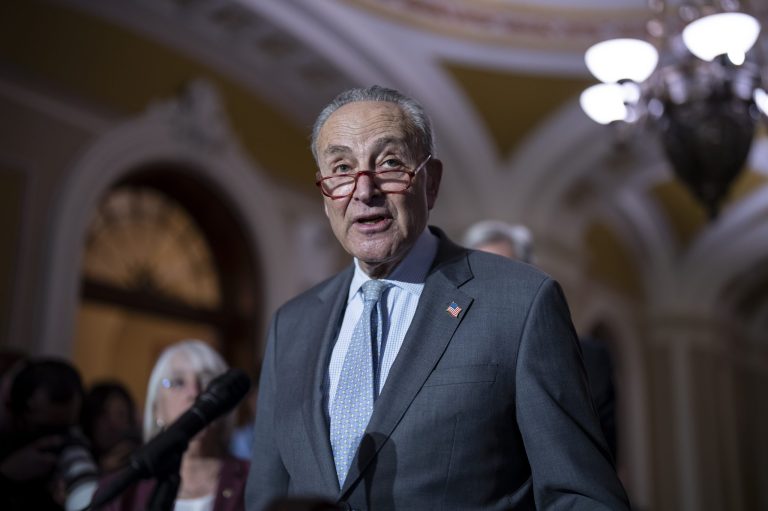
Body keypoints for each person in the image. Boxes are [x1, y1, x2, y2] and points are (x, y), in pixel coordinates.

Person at [245, 85, 630, 509]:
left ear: (431, 182)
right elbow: (267, 495)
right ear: (324, 193)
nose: (363, 190)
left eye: (390, 163)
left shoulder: (520, 302)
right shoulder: (291, 323)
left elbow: (579, 496)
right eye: (341, 168)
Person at [463, 219, 619, 461]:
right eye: (481, 274)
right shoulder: (456, 354)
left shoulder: (588, 360)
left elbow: (598, 453)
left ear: (529, 278)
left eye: (502, 272)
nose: (491, 287)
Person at [98, 340, 249, 511]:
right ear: (157, 409)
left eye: (207, 381)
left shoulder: (254, 482)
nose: (194, 393)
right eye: (178, 382)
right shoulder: (122, 492)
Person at [0, 357, 97, 511]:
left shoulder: (79, 449)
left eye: (65, 430)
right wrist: (7, 475)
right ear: (16, 414)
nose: (56, 440)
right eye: (44, 430)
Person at [80, 381, 142, 473]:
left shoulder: (140, 457)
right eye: (103, 415)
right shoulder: (78, 455)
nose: (112, 424)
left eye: (120, 414)